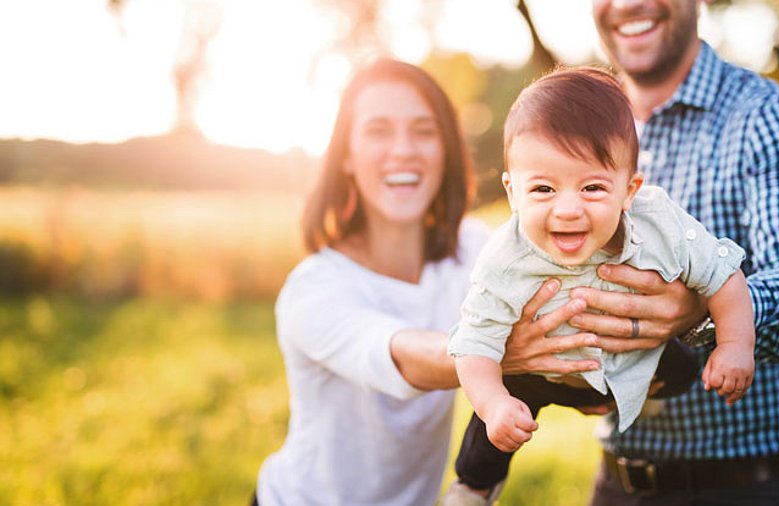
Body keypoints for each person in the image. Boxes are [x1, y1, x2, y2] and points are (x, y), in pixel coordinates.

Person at [251, 58, 607, 506]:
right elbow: (402, 357)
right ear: (345, 156)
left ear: (445, 150)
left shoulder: (475, 251)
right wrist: (497, 348)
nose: (403, 150)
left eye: (424, 130)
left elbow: (560, 304)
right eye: (378, 131)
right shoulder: (315, 286)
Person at [573, 1, 779, 504]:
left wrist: (707, 310)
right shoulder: (582, 131)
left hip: (755, 487)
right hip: (617, 485)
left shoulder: (767, 114)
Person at [441, 66, 755, 505]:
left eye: (592, 187)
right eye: (543, 189)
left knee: (684, 370)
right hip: (546, 372)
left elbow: (723, 274)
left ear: (630, 190)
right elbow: (473, 343)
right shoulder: (504, 257)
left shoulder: (659, 223)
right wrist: (493, 403)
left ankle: (640, 394)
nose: (568, 209)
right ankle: (472, 489)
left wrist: (735, 345)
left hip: (637, 356)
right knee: (498, 410)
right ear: (513, 193)